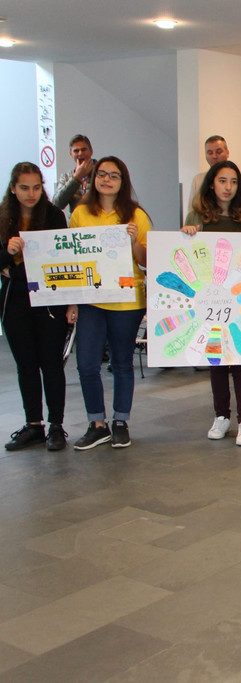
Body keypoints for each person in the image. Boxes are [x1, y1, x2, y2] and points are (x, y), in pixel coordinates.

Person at [69, 156, 150, 450]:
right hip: (91, 299)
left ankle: (120, 421)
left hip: (127, 302)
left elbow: (147, 261)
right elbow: (72, 258)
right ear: (93, 179)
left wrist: (133, 242)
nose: (107, 179)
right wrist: (71, 302)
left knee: (121, 362)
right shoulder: (80, 213)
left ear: (123, 181)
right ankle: (97, 424)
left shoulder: (136, 215)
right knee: (86, 364)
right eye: (102, 174)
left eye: (114, 175)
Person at [181, 160, 241, 446]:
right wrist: (186, 234)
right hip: (210, 297)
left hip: (238, 299)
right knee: (216, 360)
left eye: (234, 182)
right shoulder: (197, 215)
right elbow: (189, 251)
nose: (228, 187)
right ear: (211, 183)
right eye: (223, 180)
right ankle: (221, 416)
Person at [0, 162, 74, 451]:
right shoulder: (3, 217)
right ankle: (34, 425)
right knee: (26, 365)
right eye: (24, 188)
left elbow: (64, 259)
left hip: (49, 300)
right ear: (13, 188)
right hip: (15, 301)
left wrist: (71, 302)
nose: (31, 193)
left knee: (51, 363)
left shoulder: (54, 215)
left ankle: (56, 425)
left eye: (36, 187)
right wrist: (7, 254)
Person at [186, 135, 241, 218]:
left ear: (227, 153)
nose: (214, 156)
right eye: (210, 152)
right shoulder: (198, 180)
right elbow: (192, 211)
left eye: (219, 152)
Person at [53, 134, 94, 213]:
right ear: (71, 154)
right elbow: (57, 204)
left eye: (84, 149)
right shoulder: (66, 177)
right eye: (76, 151)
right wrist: (76, 178)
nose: (80, 153)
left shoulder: (101, 173)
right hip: (75, 220)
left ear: (91, 151)